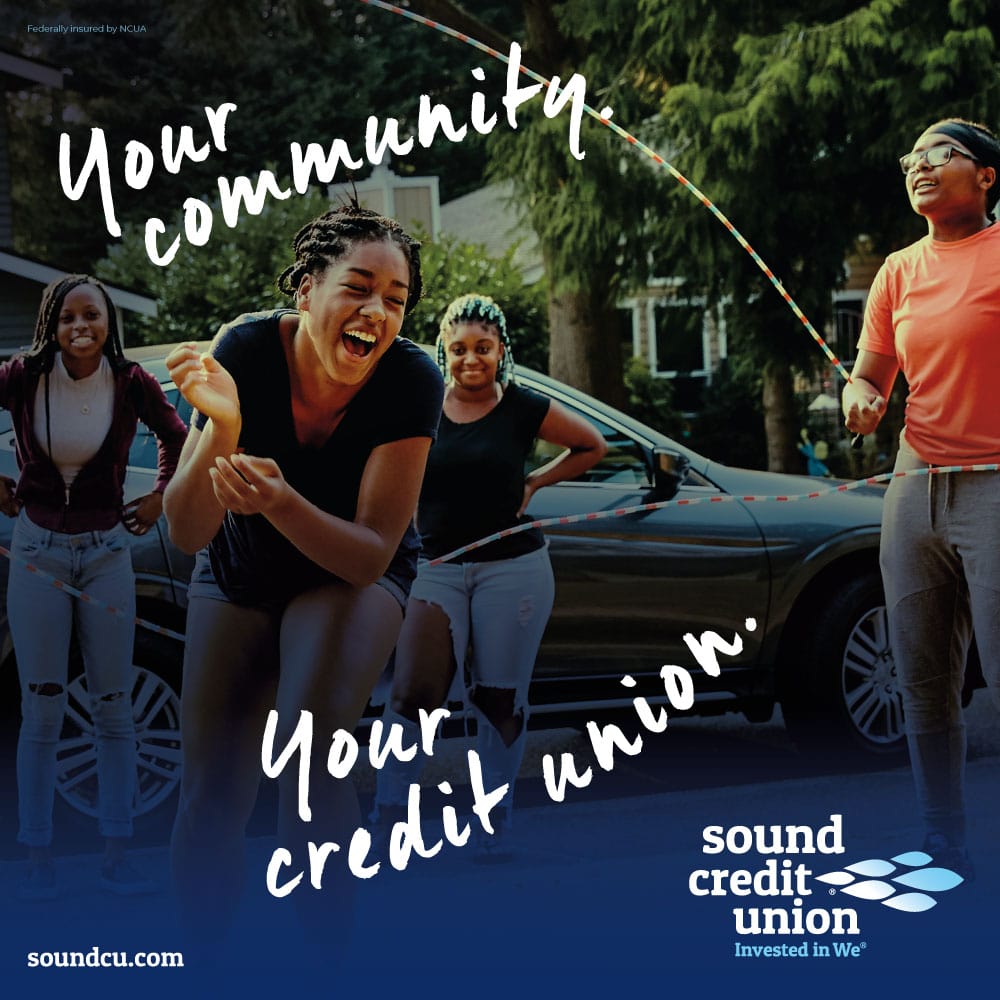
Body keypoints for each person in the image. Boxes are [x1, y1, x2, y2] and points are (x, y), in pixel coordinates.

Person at [162, 205, 444, 955]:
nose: (377, 311)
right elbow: (186, 531)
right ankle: (201, 967)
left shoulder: (413, 378)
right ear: (307, 290)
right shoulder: (246, 352)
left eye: (395, 298)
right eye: (358, 288)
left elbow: (369, 556)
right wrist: (222, 430)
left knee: (310, 774)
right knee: (211, 797)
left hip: (346, 574)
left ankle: (326, 968)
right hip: (240, 568)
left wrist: (283, 500)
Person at [371, 293, 607, 861]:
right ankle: (388, 817)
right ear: (443, 353)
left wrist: (534, 483)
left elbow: (592, 444)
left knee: (498, 698)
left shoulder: (524, 406)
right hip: (435, 569)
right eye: (458, 349)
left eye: (483, 347)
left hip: (515, 569)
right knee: (412, 696)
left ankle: (492, 817)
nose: (471, 358)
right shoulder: (423, 405)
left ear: (502, 350)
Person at [843, 117, 1000, 879]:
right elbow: (870, 375)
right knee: (922, 674)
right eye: (912, 157)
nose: (922, 166)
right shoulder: (898, 271)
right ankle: (943, 837)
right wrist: (860, 397)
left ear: (988, 177)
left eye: (944, 153)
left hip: (997, 486)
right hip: (915, 484)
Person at [0, 274, 188, 900]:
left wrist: (160, 498)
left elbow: (179, 438)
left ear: (109, 323)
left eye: (93, 316)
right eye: (68, 318)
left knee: (115, 707)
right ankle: (37, 856)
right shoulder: (23, 377)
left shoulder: (132, 383)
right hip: (38, 551)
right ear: (51, 325)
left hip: (109, 552)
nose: (81, 327)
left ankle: (116, 852)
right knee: (43, 707)